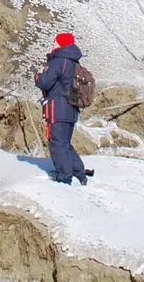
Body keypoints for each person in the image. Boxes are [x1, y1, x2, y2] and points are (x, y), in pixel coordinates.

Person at [35, 32, 88, 185]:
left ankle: (64, 177)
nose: (53, 44)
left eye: (55, 42)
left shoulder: (58, 61)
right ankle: (79, 173)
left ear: (61, 44)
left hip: (57, 109)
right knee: (65, 143)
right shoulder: (74, 62)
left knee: (57, 143)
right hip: (71, 109)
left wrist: (38, 75)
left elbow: (44, 82)